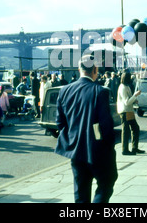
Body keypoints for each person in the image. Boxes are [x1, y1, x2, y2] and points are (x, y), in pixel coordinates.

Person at [55, 55, 118, 203]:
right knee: (106, 183)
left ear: (79, 70)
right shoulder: (100, 91)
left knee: (81, 192)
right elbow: (106, 125)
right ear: (95, 69)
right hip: (97, 150)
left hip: (75, 150)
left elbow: (60, 122)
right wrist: (109, 145)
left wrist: (71, 139)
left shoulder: (64, 90)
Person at [117, 71, 144, 156]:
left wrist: (134, 99)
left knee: (135, 128)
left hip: (129, 111)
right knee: (126, 130)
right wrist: (135, 95)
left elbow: (129, 100)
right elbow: (127, 102)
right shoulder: (123, 87)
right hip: (125, 111)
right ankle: (125, 149)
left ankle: (134, 147)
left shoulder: (126, 86)